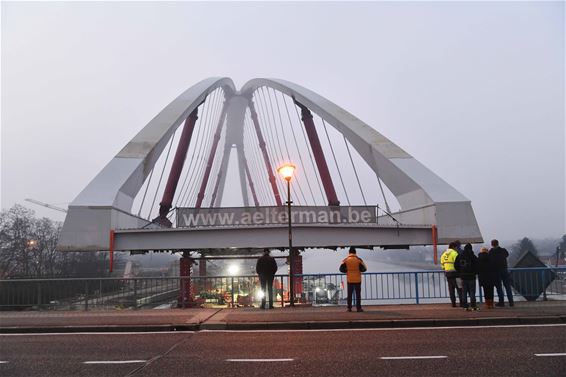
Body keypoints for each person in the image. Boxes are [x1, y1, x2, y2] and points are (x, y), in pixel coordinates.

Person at [341, 247, 367, 312]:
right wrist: (359, 270)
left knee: (349, 294)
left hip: (349, 280)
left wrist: (347, 271)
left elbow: (341, 269)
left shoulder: (346, 260)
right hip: (358, 280)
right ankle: (359, 308)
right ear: (355, 252)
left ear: (349, 252)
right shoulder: (359, 260)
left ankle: (349, 308)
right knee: (358, 295)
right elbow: (365, 268)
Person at [489, 239, 514, 307]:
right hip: (504, 270)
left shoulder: (491, 252)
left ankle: (501, 302)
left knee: (499, 287)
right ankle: (511, 302)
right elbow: (507, 255)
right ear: (498, 243)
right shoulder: (503, 250)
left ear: (492, 244)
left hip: (496, 271)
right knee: (507, 286)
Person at [454, 243, 479, 311]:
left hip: (463, 277)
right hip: (471, 277)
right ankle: (473, 305)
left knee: (463, 291)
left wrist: (460, 272)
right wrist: (475, 273)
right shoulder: (473, 256)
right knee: (472, 291)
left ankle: (464, 305)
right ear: (471, 249)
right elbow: (477, 266)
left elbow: (456, 265)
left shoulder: (459, 256)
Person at [440, 242, 463, 307]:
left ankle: (453, 303)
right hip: (456, 274)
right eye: (455, 247)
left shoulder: (444, 254)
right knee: (459, 288)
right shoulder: (454, 253)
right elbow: (458, 263)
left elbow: (442, 264)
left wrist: (445, 268)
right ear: (454, 247)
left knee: (451, 289)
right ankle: (461, 302)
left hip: (448, 273)